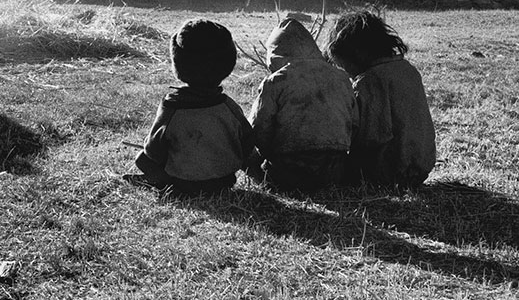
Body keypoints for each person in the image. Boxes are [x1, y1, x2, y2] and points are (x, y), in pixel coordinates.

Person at [126, 19, 255, 197]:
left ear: (178, 64)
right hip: (224, 182)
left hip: (182, 183)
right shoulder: (228, 105)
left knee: (141, 159)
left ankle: (162, 184)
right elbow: (247, 142)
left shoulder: (172, 107)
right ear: (228, 65)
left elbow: (153, 151)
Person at [327, 10, 435, 189]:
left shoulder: (369, 82)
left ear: (352, 55)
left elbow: (369, 138)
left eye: (343, 66)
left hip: (387, 172)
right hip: (420, 168)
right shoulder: (408, 70)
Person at [247, 15, 356, 192]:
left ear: (274, 56)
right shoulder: (342, 78)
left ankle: (267, 184)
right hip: (335, 172)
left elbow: (259, 128)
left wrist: (266, 155)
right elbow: (354, 124)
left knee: (245, 151)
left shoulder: (275, 82)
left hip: (288, 173)